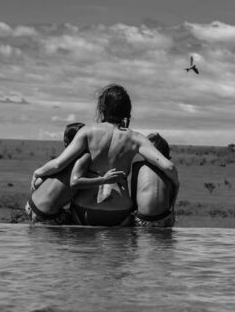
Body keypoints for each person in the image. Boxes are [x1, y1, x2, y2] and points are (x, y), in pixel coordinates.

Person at [31, 84, 178, 227]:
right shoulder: (136, 138)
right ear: (127, 111)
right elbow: (169, 167)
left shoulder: (87, 132)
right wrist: (176, 188)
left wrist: (37, 172)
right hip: (120, 213)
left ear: (103, 108)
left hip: (84, 210)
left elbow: (58, 164)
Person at [25, 122, 86, 224]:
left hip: (32, 204)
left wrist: (36, 175)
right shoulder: (82, 161)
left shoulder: (61, 160)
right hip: (46, 213)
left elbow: (38, 183)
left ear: (66, 142)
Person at [131, 133, 179, 227]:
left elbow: (134, 195)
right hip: (165, 217)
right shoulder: (169, 169)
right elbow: (171, 194)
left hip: (143, 219)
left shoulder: (138, 166)